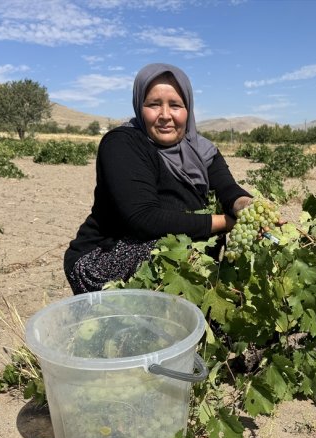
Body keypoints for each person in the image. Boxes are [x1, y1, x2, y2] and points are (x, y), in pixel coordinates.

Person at [64, 63, 253, 294]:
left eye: (175, 105)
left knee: (194, 256)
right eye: (154, 104)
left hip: (177, 256)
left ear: (188, 109)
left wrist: (248, 209)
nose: (165, 115)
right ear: (139, 106)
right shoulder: (122, 144)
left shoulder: (201, 150)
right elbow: (144, 218)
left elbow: (228, 189)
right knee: (167, 249)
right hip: (103, 257)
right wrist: (227, 223)